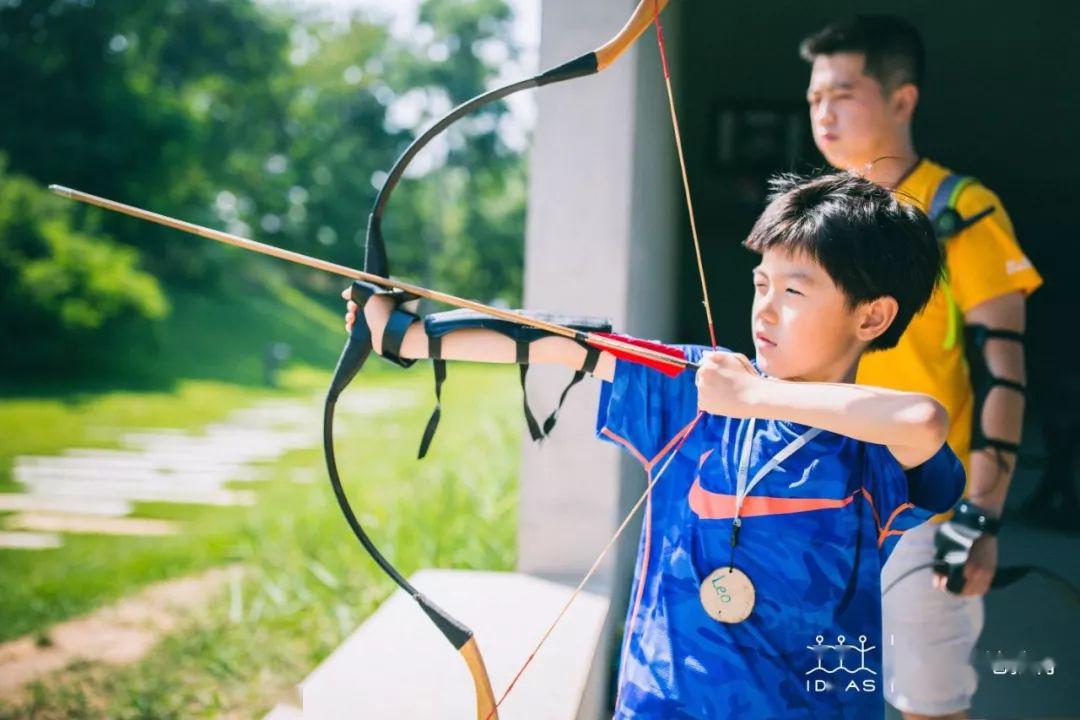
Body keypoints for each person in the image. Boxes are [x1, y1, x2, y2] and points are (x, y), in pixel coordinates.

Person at [344, 172, 964, 719]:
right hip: (659, 702)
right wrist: (406, 336)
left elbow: (922, 419)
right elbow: (567, 343)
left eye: (794, 293)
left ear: (873, 318)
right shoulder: (700, 383)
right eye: (761, 284)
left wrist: (753, 400)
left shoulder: (868, 450)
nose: (765, 311)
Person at [799, 15, 1044, 720]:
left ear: (902, 100)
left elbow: (1006, 374)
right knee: (816, 694)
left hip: (927, 506)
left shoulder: (959, 210)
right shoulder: (815, 214)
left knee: (928, 704)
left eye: (843, 93)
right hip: (825, 500)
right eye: (814, 98)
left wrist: (981, 519)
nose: (823, 113)